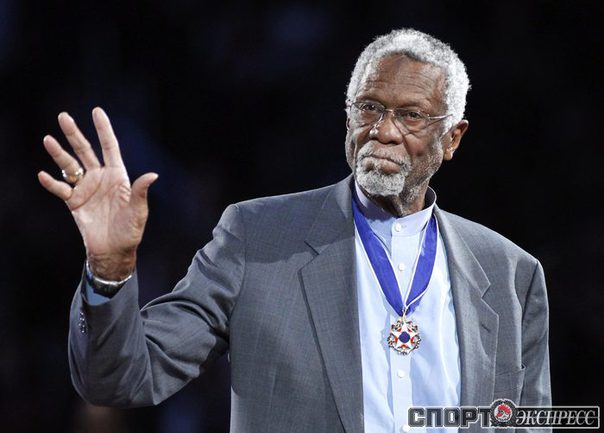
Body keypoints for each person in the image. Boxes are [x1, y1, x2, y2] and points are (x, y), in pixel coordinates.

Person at [38, 28, 551, 433]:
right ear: (347, 117)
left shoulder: (512, 274)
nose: (384, 131)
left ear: (452, 138)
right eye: (369, 107)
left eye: (411, 115)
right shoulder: (257, 238)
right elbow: (121, 379)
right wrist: (109, 270)